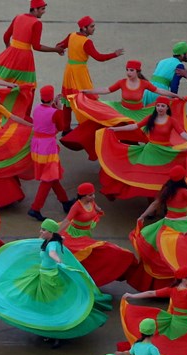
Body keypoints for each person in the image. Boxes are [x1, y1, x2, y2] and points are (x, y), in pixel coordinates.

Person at [0, 219, 111, 346]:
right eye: (41, 229)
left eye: (44, 230)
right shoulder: (53, 240)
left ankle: (55, 333)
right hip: (44, 274)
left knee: (48, 304)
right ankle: (51, 331)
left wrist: (57, 259)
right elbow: (56, 243)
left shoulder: (52, 244)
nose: (41, 231)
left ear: (50, 232)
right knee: (46, 304)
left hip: (49, 277)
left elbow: (52, 253)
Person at [97, 95, 187, 200]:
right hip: (150, 150)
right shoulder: (150, 118)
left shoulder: (172, 121)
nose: (160, 108)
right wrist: (116, 129)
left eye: (163, 106)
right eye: (158, 105)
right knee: (139, 173)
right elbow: (134, 126)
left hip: (164, 151)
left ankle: (156, 198)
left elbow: (183, 134)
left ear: (167, 107)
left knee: (160, 176)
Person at [60, 183, 135, 286]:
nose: (93, 196)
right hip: (74, 235)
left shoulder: (91, 202)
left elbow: (96, 207)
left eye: (93, 194)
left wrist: (99, 210)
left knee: (88, 254)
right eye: (90, 195)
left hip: (86, 233)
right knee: (86, 253)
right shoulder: (76, 206)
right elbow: (66, 221)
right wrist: (56, 234)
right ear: (83, 196)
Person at [0, 0, 64, 94]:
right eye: (42, 9)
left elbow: (6, 36)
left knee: (10, 85)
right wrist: (56, 50)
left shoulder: (18, 17)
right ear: (35, 9)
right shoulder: (37, 23)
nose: (44, 11)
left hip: (11, 54)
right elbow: (36, 46)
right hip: (24, 58)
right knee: (25, 88)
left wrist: (9, 49)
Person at [26, 85, 71, 219]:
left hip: (37, 146)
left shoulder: (36, 109)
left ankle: (65, 202)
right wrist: (59, 108)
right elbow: (61, 127)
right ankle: (35, 208)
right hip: (48, 148)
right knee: (49, 178)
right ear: (51, 98)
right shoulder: (55, 112)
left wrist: (54, 106)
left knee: (52, 176)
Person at [58, 16, 123, 96]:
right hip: (79, 72)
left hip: (69, 70)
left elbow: (59, 45)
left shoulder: (72, 35)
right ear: (84, 28)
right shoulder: (87, 42)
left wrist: (60, 51)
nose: (94, 28)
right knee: (86, 95)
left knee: (70, 96)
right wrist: (114, 54)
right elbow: (99, 57)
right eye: (91, 26)